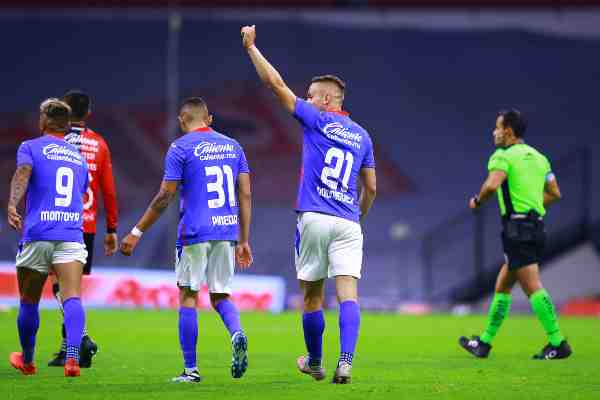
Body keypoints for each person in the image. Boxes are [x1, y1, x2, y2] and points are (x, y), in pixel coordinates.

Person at [241, 25, 377, 384]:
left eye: (312, 95)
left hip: (315, 217)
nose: (307, 99)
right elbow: (372, 188)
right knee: (349, 294)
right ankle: (345, 361)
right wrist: (358, 215)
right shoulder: (363, 136)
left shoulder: (316, 119)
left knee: (312, 296)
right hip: (348, 221)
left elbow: (275, 86)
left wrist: (253, 49)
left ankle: (316, 361)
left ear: (328, 101)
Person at [119, 97, 253, 383]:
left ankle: (191, 370)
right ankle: (237, 332)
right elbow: (246, 194)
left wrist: (137, 231)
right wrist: (244, 239)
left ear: (182, 121)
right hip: (227, 231)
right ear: (210, 119)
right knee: (220, 295)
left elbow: (165, 196)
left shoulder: (180, 147)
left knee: (189, 297)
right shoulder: (234, 146)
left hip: (194, 232)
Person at [459, 109, 572, 360]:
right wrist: (533, 208)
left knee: (532, 287)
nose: (494, 132)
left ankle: (558, 341)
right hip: (535, 227)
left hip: (517, 230)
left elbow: (492, 184)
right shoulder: (539, 157)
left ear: (508, 131)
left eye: (498, 127)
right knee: (503, 285)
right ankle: (484, 343)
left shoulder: (503, 156)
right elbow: (554, 192)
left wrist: (477, 201)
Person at [7, 98, 89, 377]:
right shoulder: (78, 158)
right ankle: (73, 360)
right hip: (70, 234)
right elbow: (81, 194)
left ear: (43, 120)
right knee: (72, 297)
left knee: (29, 300)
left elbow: (23, 172)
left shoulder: (30, 147)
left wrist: (11, 204)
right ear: (67, 126)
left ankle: (28, 360)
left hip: (39, 232)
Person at [47, 90, 119, 368]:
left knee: (61, 287)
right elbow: (109, 190)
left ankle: (81, 339)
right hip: (86, 225)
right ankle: (70, 348)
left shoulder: (54, 142)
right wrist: (111, 228)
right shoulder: (98, 144)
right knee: (70, 287)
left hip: (56, 220)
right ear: (88, 113)